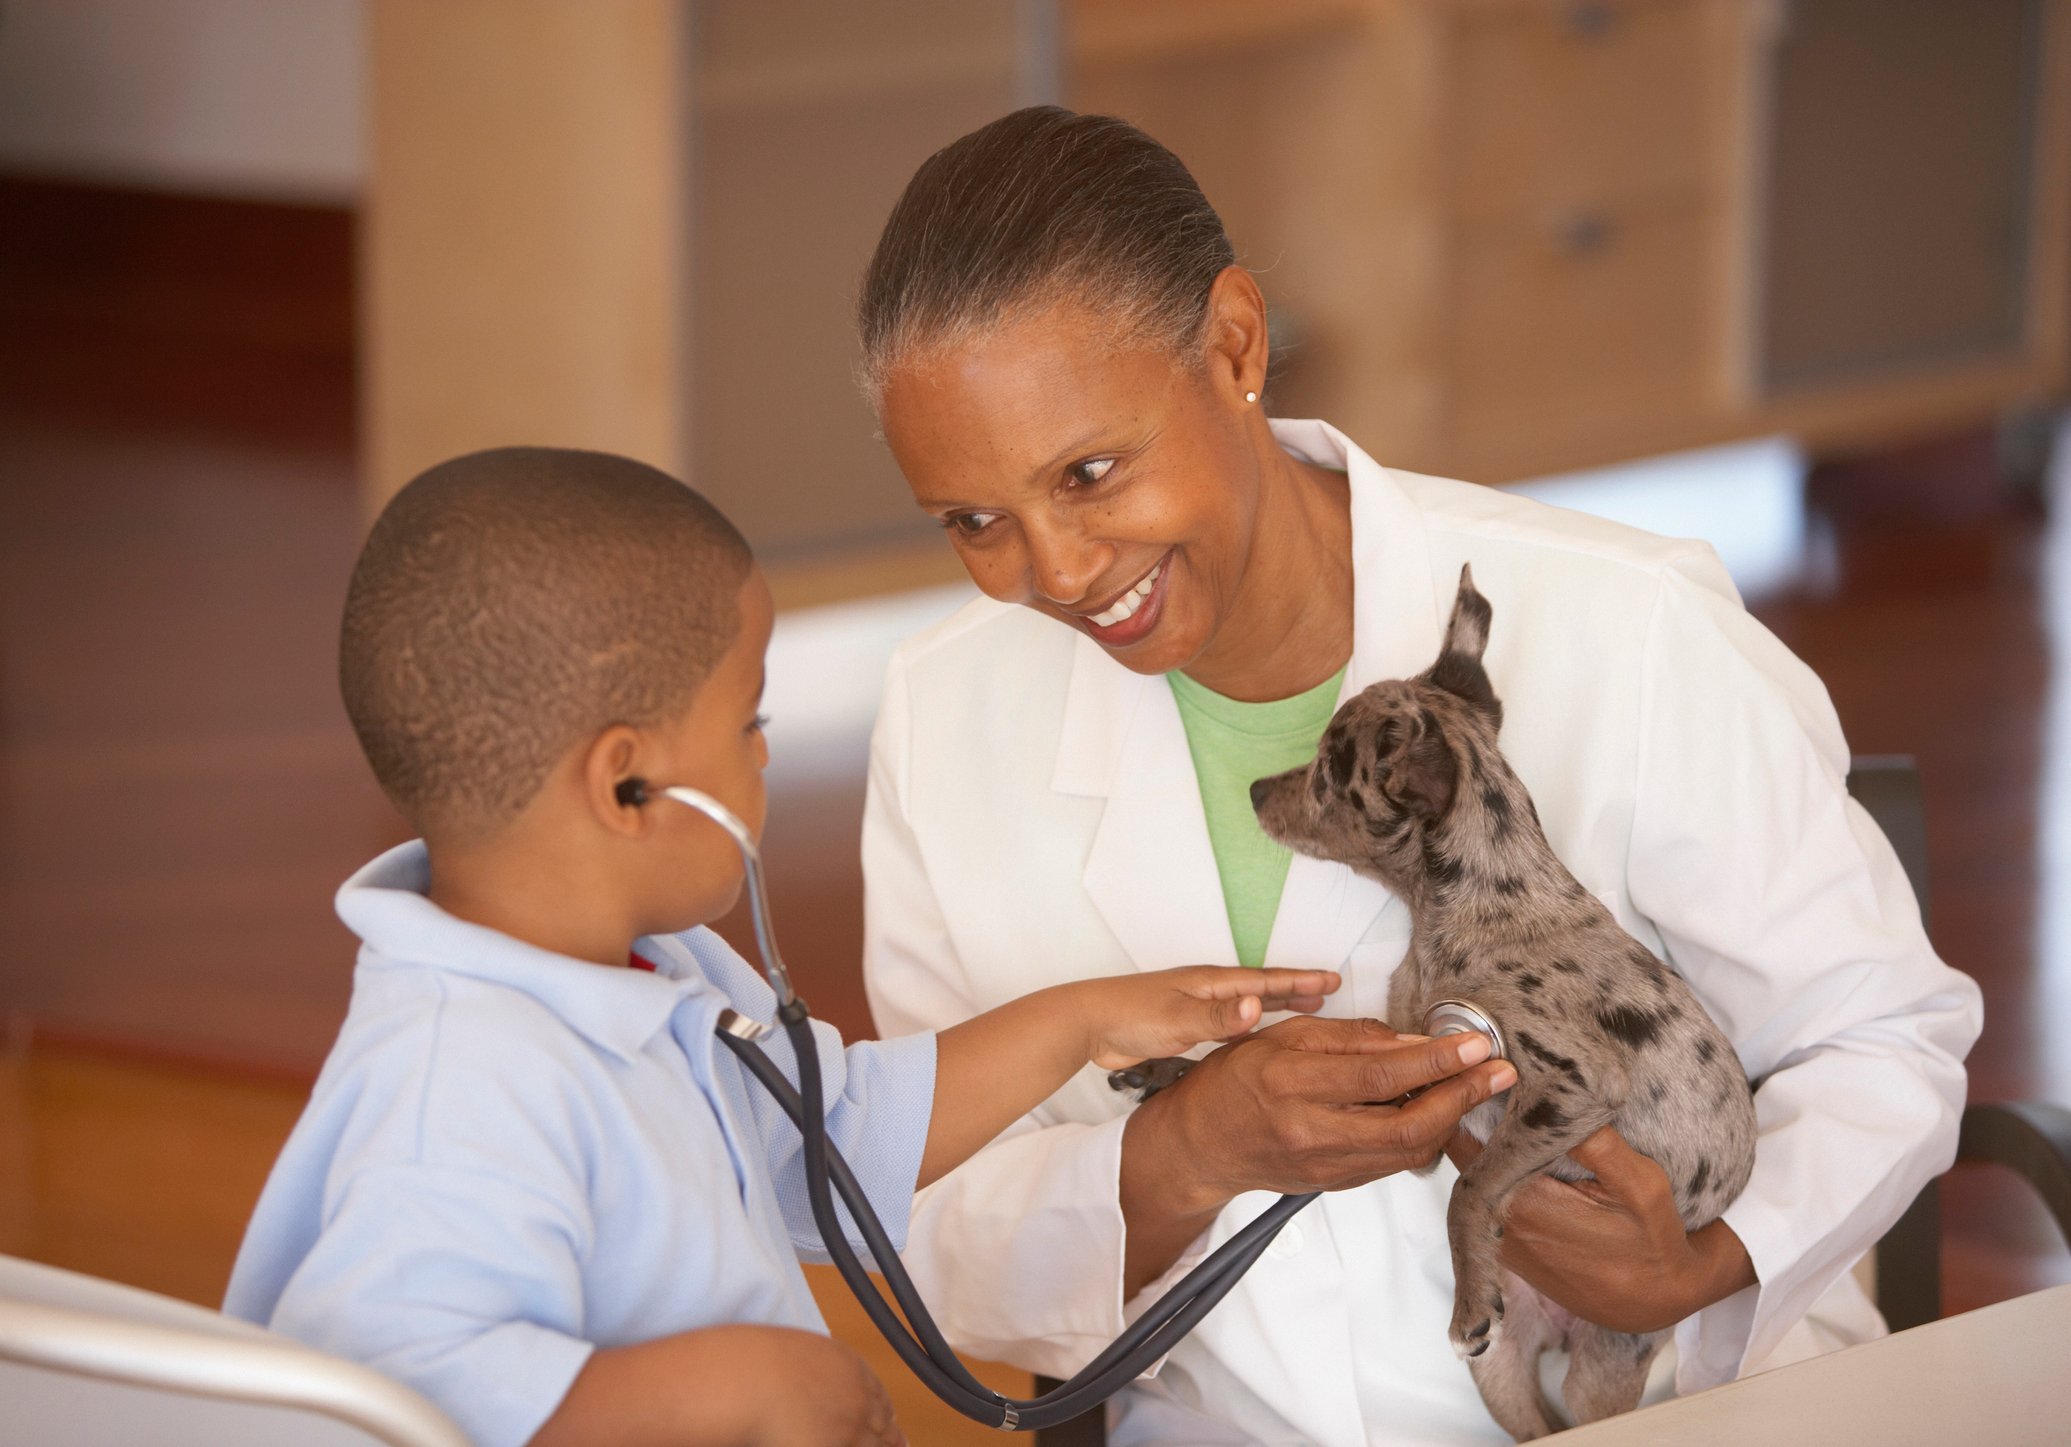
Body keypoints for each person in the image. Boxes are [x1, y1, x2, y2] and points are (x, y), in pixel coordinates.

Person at [857, 107, 1984, 1445]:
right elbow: (919, 1222)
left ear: (1232, 346)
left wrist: (1706, 1255)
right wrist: (1187, 1150)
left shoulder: (1625, 624)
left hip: (1681, 1408)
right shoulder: (942, 720)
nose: (1052, 569)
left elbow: (1880, 1035)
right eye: (973, 522)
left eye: (1090, 472)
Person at [223, 446, 1408, 1447]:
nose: (766, 757)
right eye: (749, 722)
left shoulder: (660, 975)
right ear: (626, 785)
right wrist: (766, 1382)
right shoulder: (457, 1082)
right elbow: (385, 1385)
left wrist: (1086, 1019)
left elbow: (840, 1131)